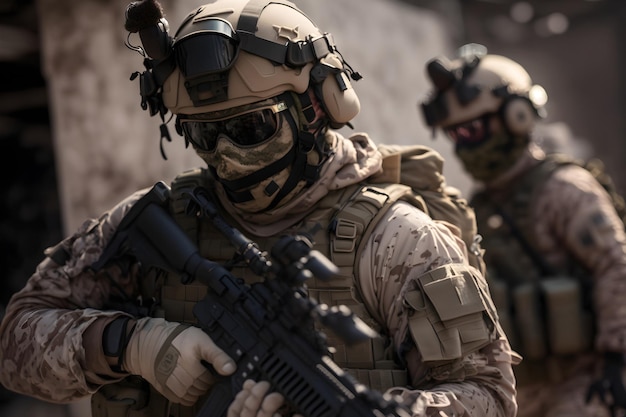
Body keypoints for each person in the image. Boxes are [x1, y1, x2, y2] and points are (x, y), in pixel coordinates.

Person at [0, 2, 519, 417]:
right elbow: (15, 346)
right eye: (205, 133)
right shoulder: (156, 223)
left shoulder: (397, 239)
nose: (225, 156)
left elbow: (487, 396)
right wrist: (130, 343)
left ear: (316, 109)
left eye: (250, 129)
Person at [420, 44, 626, 417]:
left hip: (584, 384)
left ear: (516, 116)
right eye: (455, 135)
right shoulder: (476, 207)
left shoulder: (564, 189)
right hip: (521, 392)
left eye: (472, 129)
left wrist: (617, 360)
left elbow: (616, 267)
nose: (465, 145)